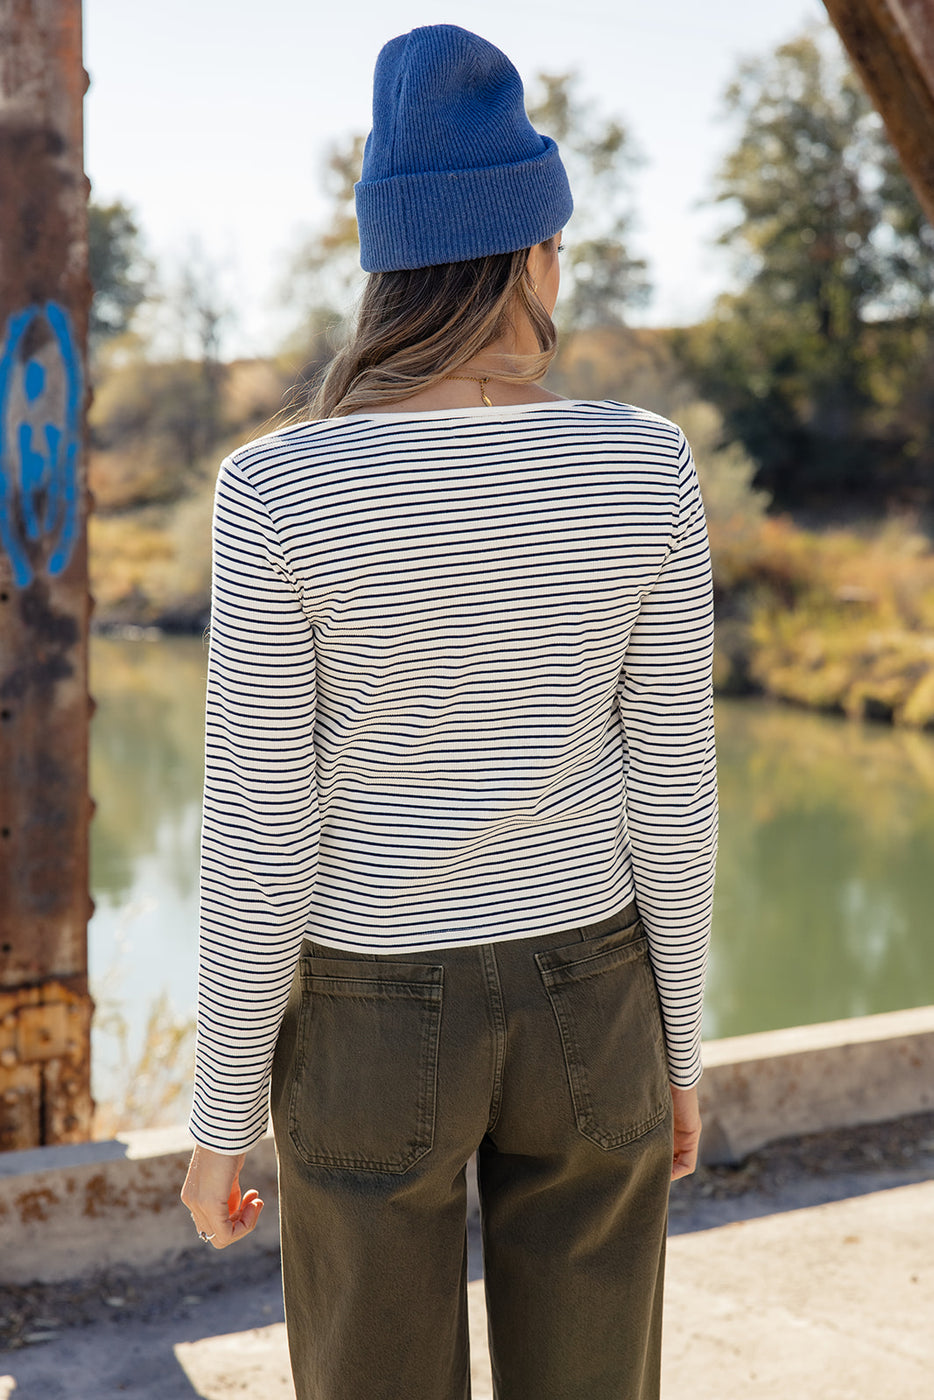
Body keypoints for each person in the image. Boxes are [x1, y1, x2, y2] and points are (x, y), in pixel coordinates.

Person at [182, 22, 717, 1400]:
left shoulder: (277, 492)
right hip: (591, 997)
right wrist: (682, 1049)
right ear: (539, 255)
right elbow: (671, 787)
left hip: (369, 1013)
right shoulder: (642, 468)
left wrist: (218, 1120)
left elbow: (258, 830)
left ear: (385, 272)